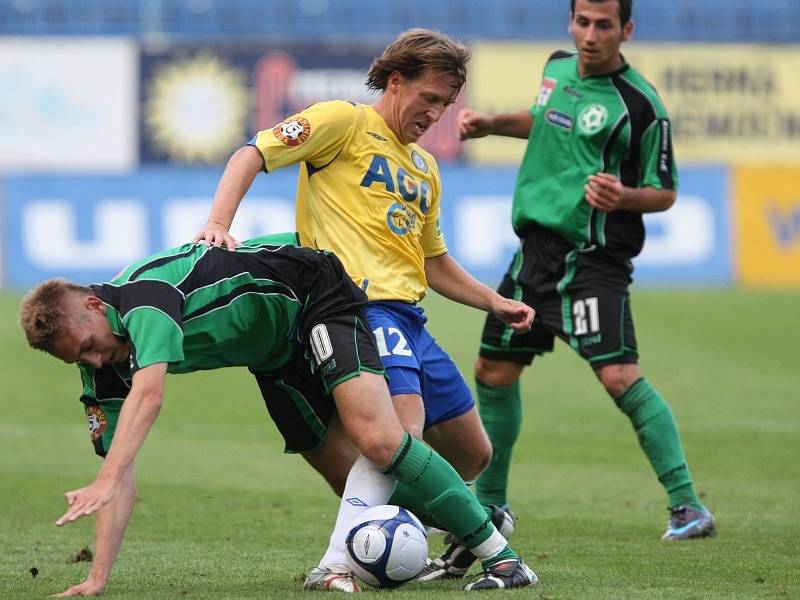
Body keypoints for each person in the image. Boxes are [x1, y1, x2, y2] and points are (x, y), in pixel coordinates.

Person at [191, 28, 537, 589]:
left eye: (446, 106)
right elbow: (251, 154)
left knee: (473, 454)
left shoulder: (425, 167)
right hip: (355, 306)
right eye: (429, 98)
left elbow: (432, 262)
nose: (436, 114)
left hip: (411, 318)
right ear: (396, 80)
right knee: (402, 433)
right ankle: (340, 558)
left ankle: (424, 528)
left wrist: (492, 301)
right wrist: (218, 225)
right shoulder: (342, 122)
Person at [19, 234, 536, 596]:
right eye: (77, 360)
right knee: (348, 480)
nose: (92, 361)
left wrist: (106, 477)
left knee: (380, 443)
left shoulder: (142, 303)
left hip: (314, 292)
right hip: (272, 356)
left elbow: (149, 398)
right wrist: (97, 578)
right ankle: (470, 520)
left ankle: (503, 560)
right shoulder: (102, 369)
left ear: (93, 305)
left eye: (88, 346)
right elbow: (119, 472)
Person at [421, 0, 717, 581]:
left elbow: (665, 190)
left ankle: (687, 504)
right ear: (571, 23)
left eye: (603, 25)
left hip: (590, 260)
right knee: (494, 371)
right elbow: (542, 119)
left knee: (618, 376)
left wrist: (624, 197)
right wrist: (491, 124)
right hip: (534, 255)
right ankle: (494, 503)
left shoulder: (642, 105)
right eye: (582, 21)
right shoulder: (556, 68)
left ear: (625, 30)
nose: (589, 34)